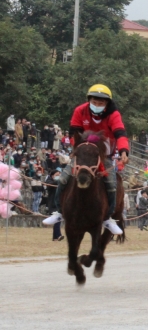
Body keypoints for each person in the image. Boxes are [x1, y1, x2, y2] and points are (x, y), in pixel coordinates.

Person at [42, 84, 128, 235]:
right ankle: (59, 212)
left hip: (103, 155)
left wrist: (123, 151)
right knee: (63, 178)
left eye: (101, 103)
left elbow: (120, 133)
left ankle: (108, 218)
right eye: (94, 102)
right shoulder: (80, 110)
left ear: (107, 103)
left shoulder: (114, 115)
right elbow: (73, 133)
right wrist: (82, 147)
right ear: (89, 100)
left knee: (112, 184)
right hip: (83, 154)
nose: (97, 105)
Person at [45, 170, 64, 241]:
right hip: (52, 203)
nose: (58, 176)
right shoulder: (49, 181)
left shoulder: (60, 183)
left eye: (59, 175)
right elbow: (50, 186)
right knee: (57, 219)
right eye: (57, 174)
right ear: (52, 175)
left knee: (57, 220)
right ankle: (58, 235)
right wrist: (58, 180)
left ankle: (55, 237)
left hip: (59, 203)